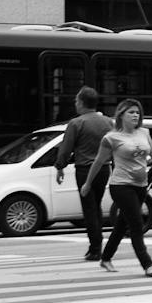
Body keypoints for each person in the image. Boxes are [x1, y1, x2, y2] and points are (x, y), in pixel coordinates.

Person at [88, 98, 152, 276]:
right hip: (120, 186)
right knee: (136, 223)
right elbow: (98, 161)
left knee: (121, 225)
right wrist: (88, 184)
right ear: (121, 115)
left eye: (137, 112)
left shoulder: (144, 132)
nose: (135, 115)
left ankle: (106, 258)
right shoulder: (111, 138)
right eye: (131, 112)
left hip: (141, 185)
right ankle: (148, 265)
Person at [52, 86, 114, 261]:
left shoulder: (76, 123)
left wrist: (60, 167)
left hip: (84, 170)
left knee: (89, 209)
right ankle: (95, 246)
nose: (75, 104)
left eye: (76, 101)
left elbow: (66, 149)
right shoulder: (109, 122)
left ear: (81, 103)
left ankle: (95, 248)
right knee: (96, 206)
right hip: (103, 169)